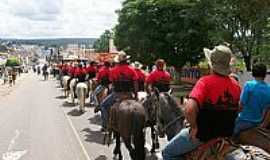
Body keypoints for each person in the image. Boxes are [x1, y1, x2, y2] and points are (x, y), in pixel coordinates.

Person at [162, 45, 241, 160]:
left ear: (211, 64)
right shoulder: (236, 85)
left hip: (203, 136)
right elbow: (239, 108)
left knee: (167, 153)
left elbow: (189, 108)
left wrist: (194, 127)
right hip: (227, 135)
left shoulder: (205, 82)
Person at [99, 52, 139, 131]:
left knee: (103, 105)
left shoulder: (114, 70)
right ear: (126, 60)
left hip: (117, 94)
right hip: (129, 94)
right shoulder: (132, 70)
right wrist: (136, 95)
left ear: (118, 61)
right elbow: (135, 83)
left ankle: (105, 125)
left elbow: (112, 83)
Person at [234, 63, 270, 135]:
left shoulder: (248, 85)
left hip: (243, 121)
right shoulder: (269, 89)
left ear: (253, 73)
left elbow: (241, 106)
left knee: (227, 136)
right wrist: (263, 125)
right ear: (265, 74)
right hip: (258, 122)